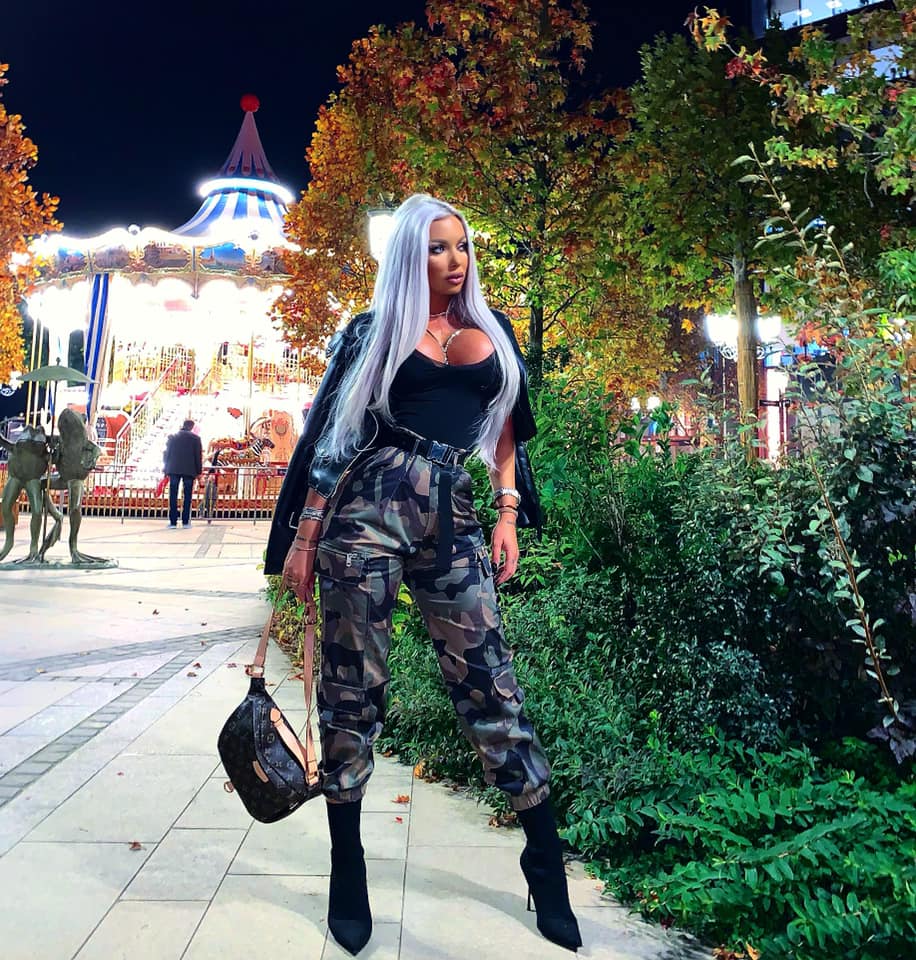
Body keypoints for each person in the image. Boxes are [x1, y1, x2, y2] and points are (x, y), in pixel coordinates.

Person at [265, 194, 581, 955]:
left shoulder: (492, 332)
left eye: (462, 246)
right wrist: (306, 535)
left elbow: (506, 431)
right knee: (352, 690)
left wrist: (507, 512)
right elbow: (335, 438)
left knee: (491, 684)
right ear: (411, 255)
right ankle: (348, 864)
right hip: (364, 516)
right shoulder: (372, 331)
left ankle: (544, 859)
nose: (454, 260)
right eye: (438, 248)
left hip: (454, 515)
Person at [163, 419, 202, 528]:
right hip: (189, 470)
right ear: (192, 427)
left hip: (174, 469)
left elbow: (166, 454)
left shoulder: (172, 437)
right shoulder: (196, 439)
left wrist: (166, 469)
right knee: (187, 495)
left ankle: (173, 521)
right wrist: (199, 471)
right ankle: (185, 521)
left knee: (173, 494)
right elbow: (197, 456)